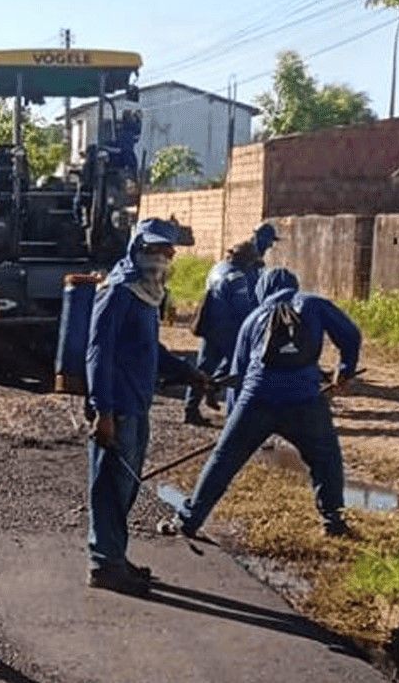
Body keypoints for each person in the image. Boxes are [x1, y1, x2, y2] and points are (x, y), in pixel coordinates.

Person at [159, 267, 361, 541]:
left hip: (257, 400)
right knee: (326, 458)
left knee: (223, 460)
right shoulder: (314, 304)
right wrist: (345, 369)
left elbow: (240, 376)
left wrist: (234, 423)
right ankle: (333, 520)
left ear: (262, 290)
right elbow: (351, 335)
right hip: (305, 400)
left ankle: (190, 520)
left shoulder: (252, 319)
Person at [85, 219, 207, 596]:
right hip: (117, 406)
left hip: (137, 404)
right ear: (137, 249)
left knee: (125, 487)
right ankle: (104, 564)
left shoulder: (146, 293)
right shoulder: (118, 291)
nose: (163, 257)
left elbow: (149, 350)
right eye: (155, 250)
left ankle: (114, 556)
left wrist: (189, 373)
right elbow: (98, 353)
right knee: (109, 487)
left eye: (167, 251)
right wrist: (102, 410)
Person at [184, 239, 261, 425]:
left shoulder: (217, 269)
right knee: (237, 368)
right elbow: (242, 309)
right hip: (229, 331)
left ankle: (191, 409)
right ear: (247, 260)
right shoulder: (237, 277)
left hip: (210, 327)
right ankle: (235, 413)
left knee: (202, 368)